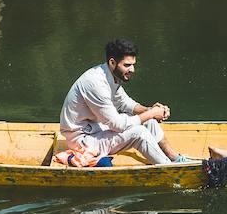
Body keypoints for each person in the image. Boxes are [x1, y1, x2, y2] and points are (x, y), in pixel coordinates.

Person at [59, 38, 191, 166]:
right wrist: (151, 113)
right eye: (127, 65)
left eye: (133, 65)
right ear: (112, 62)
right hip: (82, 141)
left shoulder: (109, 75)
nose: (132, 70)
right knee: (140, 133)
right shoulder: (95, 84)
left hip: (97, 129)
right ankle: (171, 169)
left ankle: (175, 159)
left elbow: (124, 102)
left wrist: (149, 110)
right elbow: (117, 125)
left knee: (148, 121)